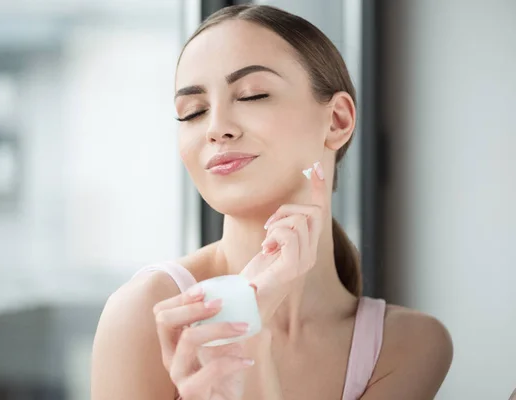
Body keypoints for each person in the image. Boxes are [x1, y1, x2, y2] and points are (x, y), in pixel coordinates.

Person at [91, 5, 453, 400]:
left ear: (337, 122)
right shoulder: (146, 312)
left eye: (252, 95)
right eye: (192, 112)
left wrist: (249, 336)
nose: (215, 129)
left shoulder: (408, 345)